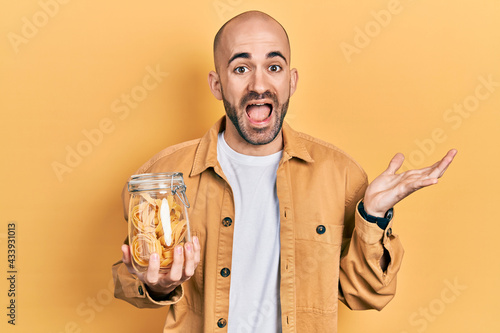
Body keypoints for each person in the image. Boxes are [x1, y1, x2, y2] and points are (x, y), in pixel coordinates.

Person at [112, 10, 456, 332]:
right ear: (217, 85)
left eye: (273, 67)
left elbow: (365, 294)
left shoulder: (341, 175)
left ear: (291, 81)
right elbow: (129, 279)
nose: (259, 85)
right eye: (241, 68)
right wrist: (156, 284)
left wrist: (374, 215)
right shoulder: (163, 176)